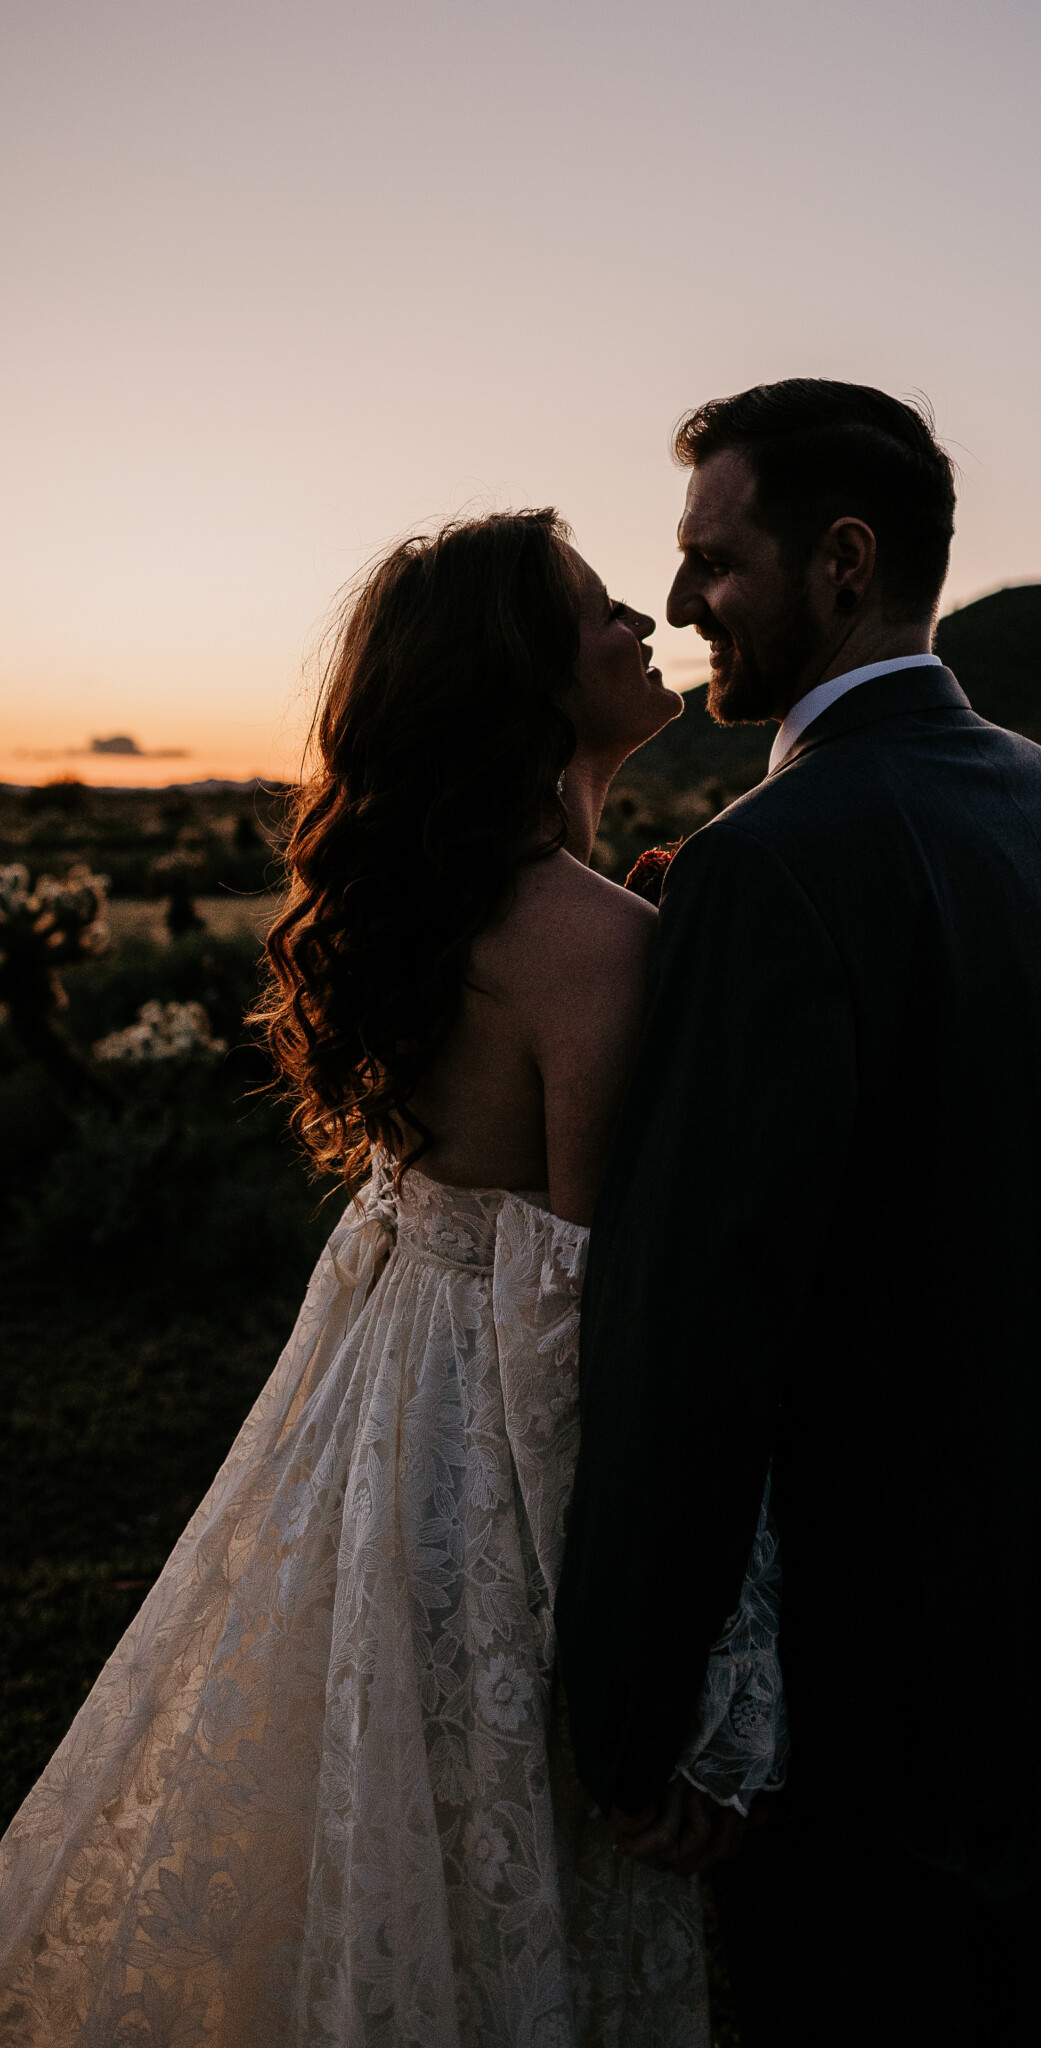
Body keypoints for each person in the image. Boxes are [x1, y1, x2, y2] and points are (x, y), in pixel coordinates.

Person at [0, 512, 785, 2048]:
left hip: (378, 1432)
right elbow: (584, 1348)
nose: (644, 619)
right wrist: (679, 1687)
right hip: (494, 1472)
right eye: (596, 607)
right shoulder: (596, 945)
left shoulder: (448, 906)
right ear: (522, 676)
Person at [555, 381, 1041, 2044]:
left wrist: (634, 1703)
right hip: (1027, 1582)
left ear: (840, 561)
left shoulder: (775, 861)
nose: (679, 605)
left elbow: (699, 1313)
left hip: (858, 1635)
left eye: (712, 560)